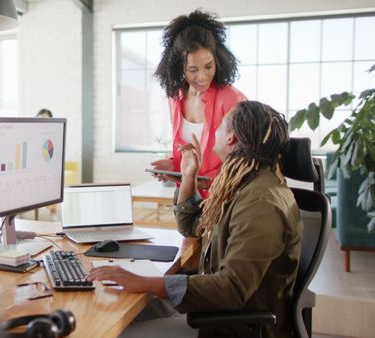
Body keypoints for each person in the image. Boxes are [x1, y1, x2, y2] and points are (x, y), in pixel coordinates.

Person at [88, 101, 302, 338]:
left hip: (233, 327)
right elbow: (192, 227)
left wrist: (144, 282)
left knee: (118, 331)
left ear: (230, 138)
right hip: (217, 310)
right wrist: (189, 175)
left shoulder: (261, 203)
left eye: (220, 125)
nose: (215, 131)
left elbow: (232, 288)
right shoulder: (246, 184)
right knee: (122, 306)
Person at [150, 9, 246, 197]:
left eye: (208, 66)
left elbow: (243, 161)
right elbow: (189, 151)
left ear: (218, 60)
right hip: (188, 195)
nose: (202, 77)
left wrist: (203, 181)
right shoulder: (175, 97)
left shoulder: (233, 99)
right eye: (193, 69)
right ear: (180, 68)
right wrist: (173, 164)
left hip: (222, 198)